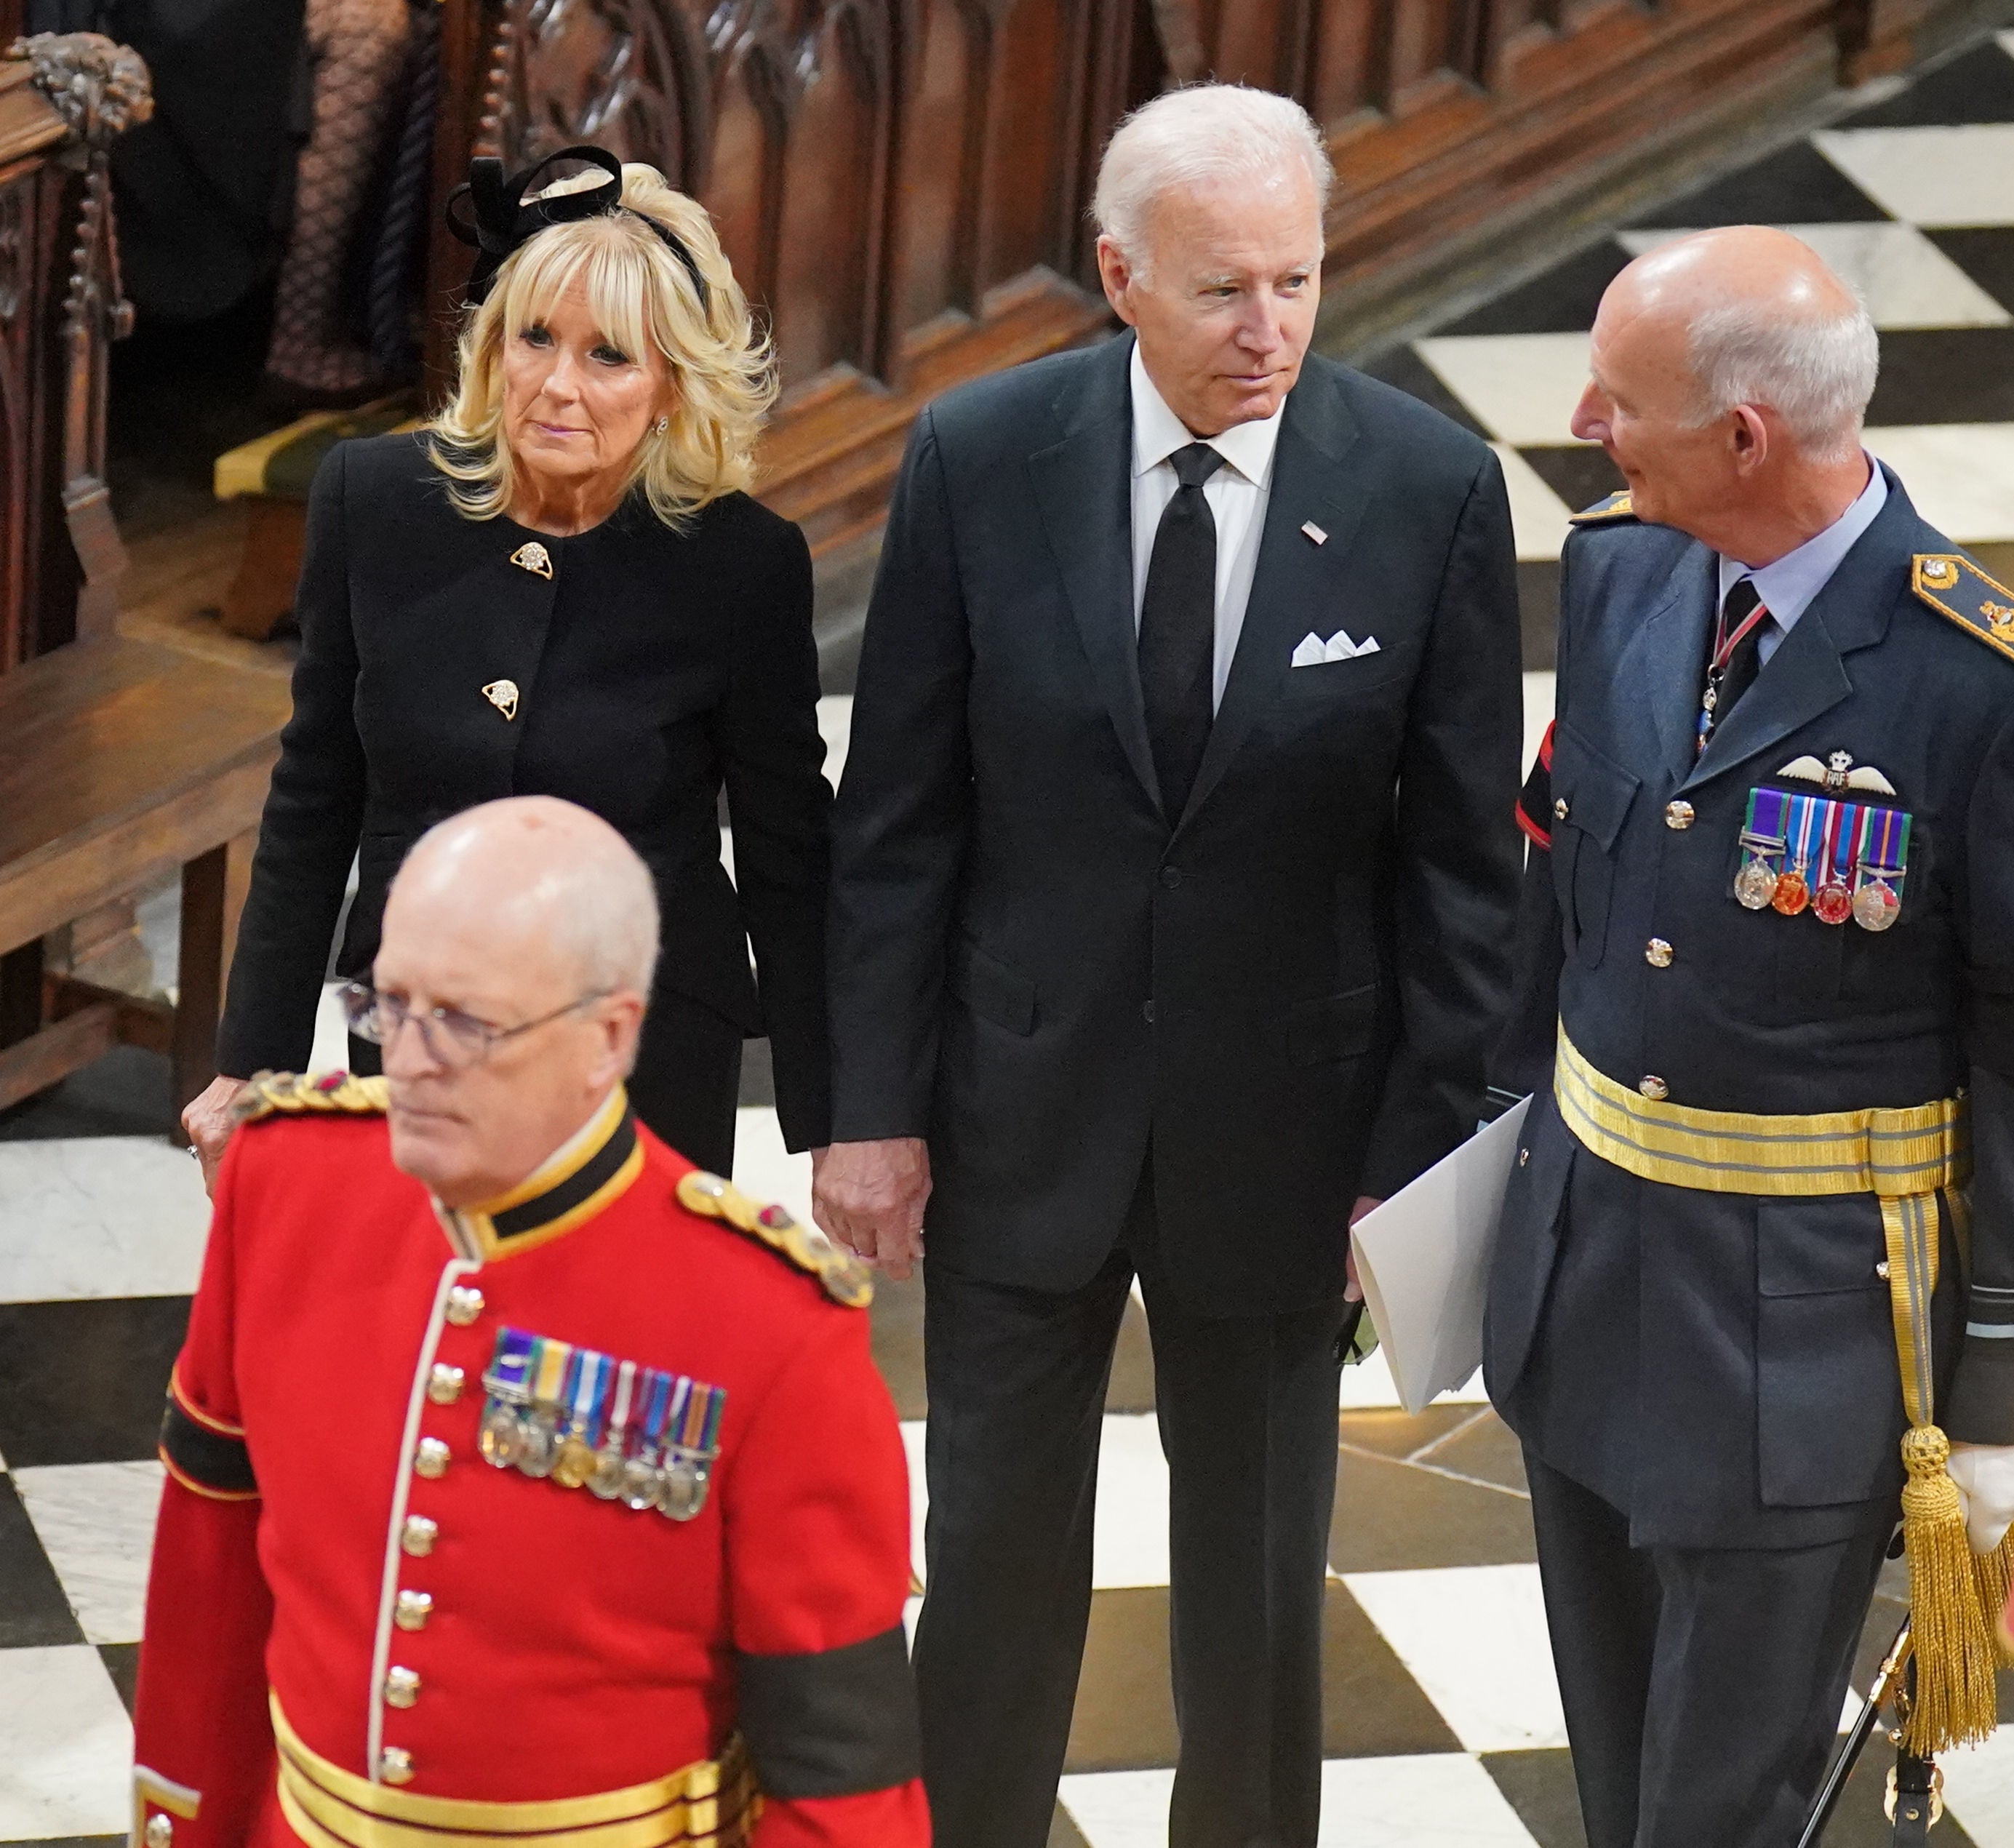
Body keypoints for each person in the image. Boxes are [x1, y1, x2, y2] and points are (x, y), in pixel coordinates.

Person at [813, 83, 1522, 1848]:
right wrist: (868, 1110)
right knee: (982, 1569)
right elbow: (896, 819)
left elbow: (1459, 874)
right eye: (1220, 289)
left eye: (1295, 279)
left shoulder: (1425, 490)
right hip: (1015, 1110)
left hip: (1289, 1137)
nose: (1266, 329)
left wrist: (1421, 1172)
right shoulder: (978, 460)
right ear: (1118, 276)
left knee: (1259, 1592)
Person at [1484, 225, 2014, 1848]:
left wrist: (2012, 1391)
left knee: (1718, 1802)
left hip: (1800, 1344)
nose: (1583, 419)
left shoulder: (1995, 695)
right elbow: (1558, 876)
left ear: (1741, 437)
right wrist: (1468, 1160)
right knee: (1617, 1763)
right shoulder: (1628, 569)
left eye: (1616, 398)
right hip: (1586, 1273)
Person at [132, 796, 927, 1848]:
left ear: (609, 1035)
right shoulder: (286, 1187)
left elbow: (840, 1779)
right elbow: (210, 1576)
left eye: (464, 1020)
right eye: (388, 1004)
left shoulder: (766, 1326)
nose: (408, 1059)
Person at [182, 145, 832, 1185]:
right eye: (535, 338)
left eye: (609, 357)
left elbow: (786, 853)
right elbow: (314, 797)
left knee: (612, 1347)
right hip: (413, 1037)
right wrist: (251, 1061)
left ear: (673, 386)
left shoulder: (741, 565)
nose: (556, 387)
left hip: (643, 1050)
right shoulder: (374, 501)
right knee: (426, 1335)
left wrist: (833, 1120)